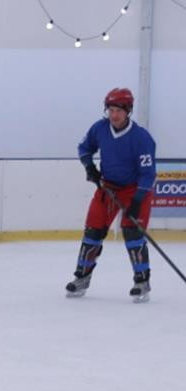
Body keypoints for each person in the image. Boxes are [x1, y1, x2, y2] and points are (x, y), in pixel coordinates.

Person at [66, 87, 157, 302]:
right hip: (108, 187)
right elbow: (84, 148)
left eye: (118, 110)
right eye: (110, 109)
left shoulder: (142, 138)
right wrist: (90, 168)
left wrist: (136, 201)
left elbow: (148, 174)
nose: (113, 115)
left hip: (135, 189)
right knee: (93, 231)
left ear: (128, 111)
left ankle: (142, 280)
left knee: (132, 233)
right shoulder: (100, 128)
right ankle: (82, 278)